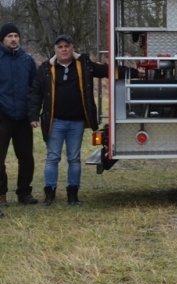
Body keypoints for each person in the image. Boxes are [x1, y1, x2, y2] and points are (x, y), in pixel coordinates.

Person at [29, 34, 110, 206]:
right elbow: (36, 93)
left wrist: (134, 72)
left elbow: (106, 71)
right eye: (60, 47)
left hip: (77, 122)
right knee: (52, 158)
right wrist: (34, 116)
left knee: (74, 158)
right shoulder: (45, 69)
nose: (64, 49)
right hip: (55, 122)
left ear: (73, 48)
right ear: (55, 50)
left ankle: (73, 195)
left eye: (67, 46)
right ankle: (49, 194)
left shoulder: (84, 65)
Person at [0, 23, 39, 206]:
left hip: (23, 116)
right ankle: (1, 194)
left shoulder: (27, 60)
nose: (14, 39)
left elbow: (35, 88)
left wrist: (33, 114)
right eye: (10, 36)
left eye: (16, 35)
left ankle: (24, 193)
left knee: (25, 157)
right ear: (3, 39)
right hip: (2, 116)